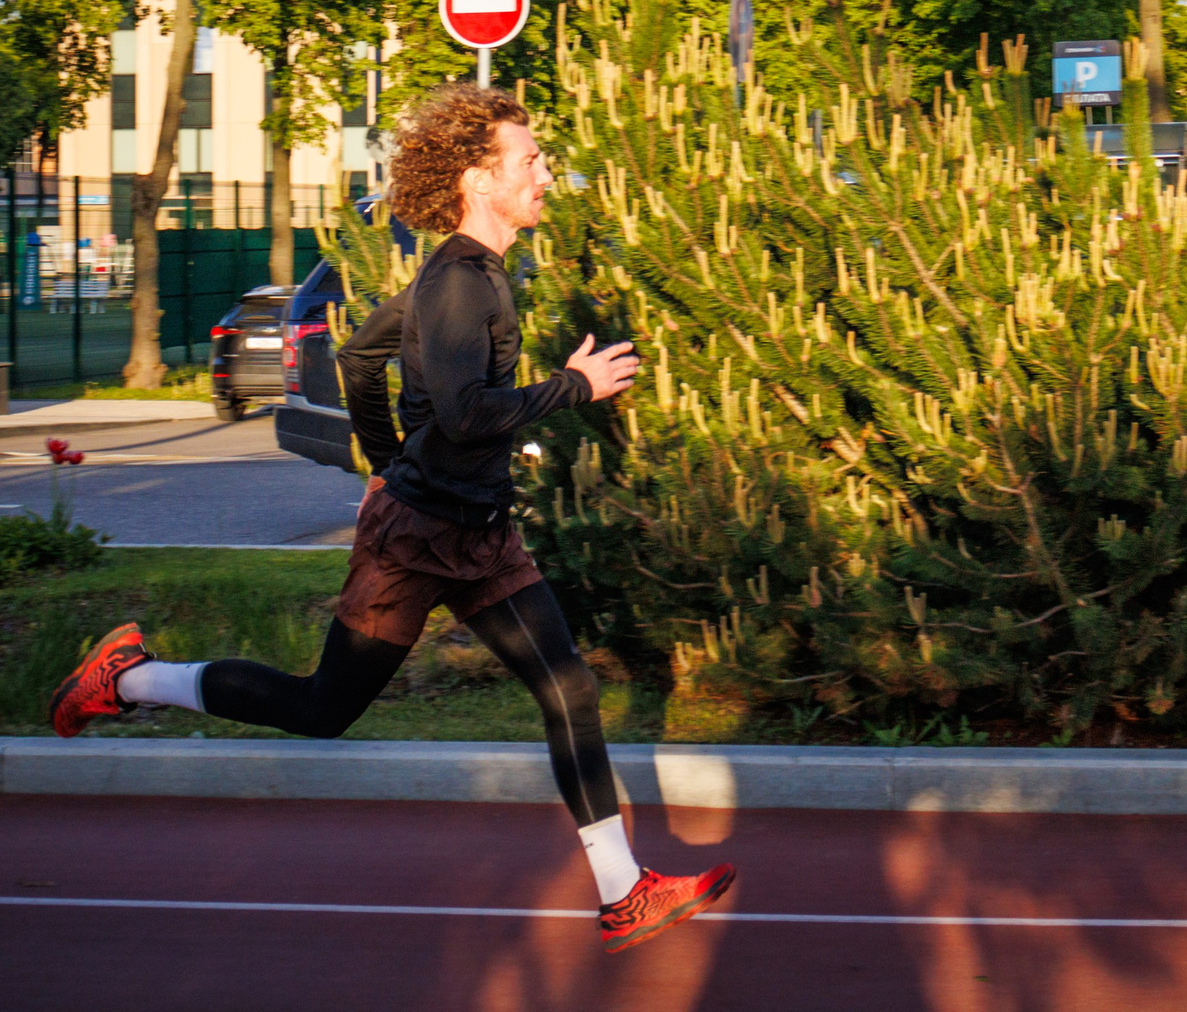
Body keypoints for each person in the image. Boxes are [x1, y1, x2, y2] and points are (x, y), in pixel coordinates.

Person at [48, 84, 736, 953]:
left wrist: (382, 466)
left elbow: (359, 355)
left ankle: (622, 891)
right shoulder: (459, 281)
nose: (546, 174)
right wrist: (572, 388)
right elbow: (462, 414)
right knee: (323, 707)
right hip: (419, 541)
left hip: (476, 532)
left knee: (568, 687)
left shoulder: (472, 271)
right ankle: (130, 677)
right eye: (530, 160)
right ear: (479, 179)